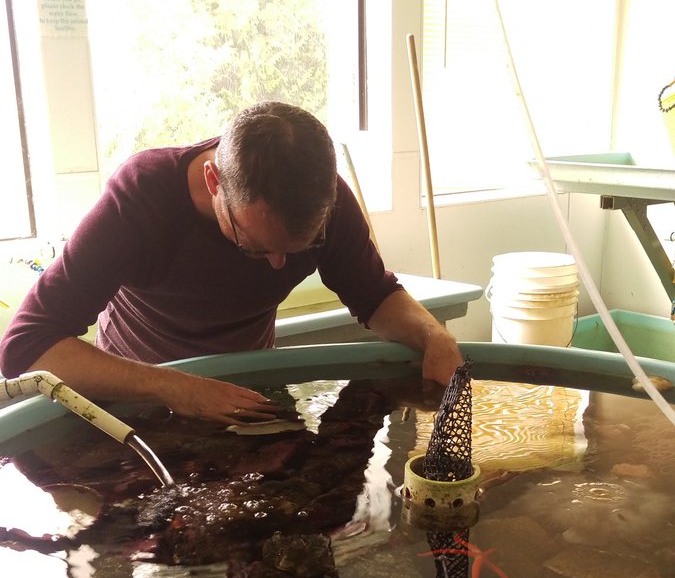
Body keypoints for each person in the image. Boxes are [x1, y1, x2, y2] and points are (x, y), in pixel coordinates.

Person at [0, 102, 463, 423]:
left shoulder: (325, 200)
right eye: (256, 248)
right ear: (213, 180)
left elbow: (374, 295)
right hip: (139, 403)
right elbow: (26, 346)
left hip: (251, 395)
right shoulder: (140, 200)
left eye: (300, 248)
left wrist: (433, 335)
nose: (279, 265)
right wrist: (178, 388)